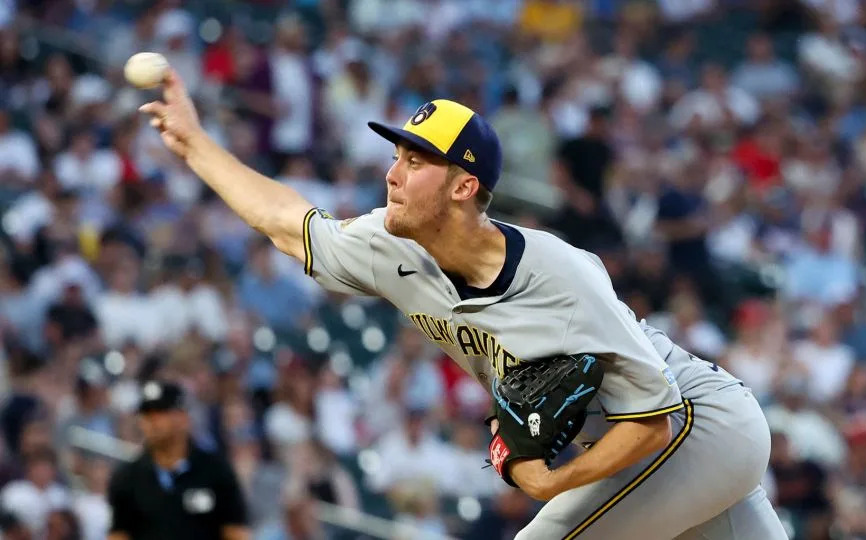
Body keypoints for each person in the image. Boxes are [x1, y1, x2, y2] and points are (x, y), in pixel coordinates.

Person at [139, 69, 787, 539]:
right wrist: (194, 142)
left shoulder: (558, 274)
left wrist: (550, 483)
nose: (392, 173)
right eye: (396, 155)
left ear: (463, 187)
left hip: (698, 425)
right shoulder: (389, 244)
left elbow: (654, 423)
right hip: (650, 441)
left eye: (415, 161)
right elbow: (287, 223)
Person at [106, 380, 250, 540]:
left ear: (183, 417)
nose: (151, 422)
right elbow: (119, 534)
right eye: (146, 415)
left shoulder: (215, 471)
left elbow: (235, 531)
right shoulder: (128, 477)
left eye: (160, 413)